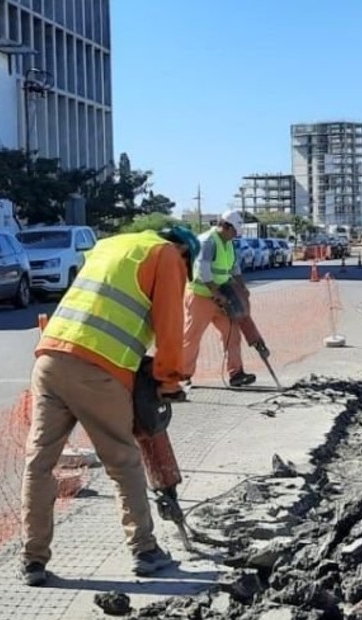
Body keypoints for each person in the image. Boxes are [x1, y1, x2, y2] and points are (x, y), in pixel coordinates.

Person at [20, 224, 200, 587]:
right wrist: (168, 380)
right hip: (98, 370)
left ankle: (32, 560)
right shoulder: (166, 255)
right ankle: (145, 550)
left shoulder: (109, 246)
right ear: (183, 252)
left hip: (50, 359)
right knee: (123, 461)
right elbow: (169, 325)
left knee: (39, 464)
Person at [181, 209, 263, 389]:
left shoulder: (228, 243)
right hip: (201, 296)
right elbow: (203, 270)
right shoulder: (208, 241)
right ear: (225, 226)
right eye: (233, 232)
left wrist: (242, 287)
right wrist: (215, 292)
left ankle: (236, 374)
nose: (235, 236)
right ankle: (182, 376)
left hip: (222, 296)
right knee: (192, 337)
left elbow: (234, 268)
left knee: (232, 333)